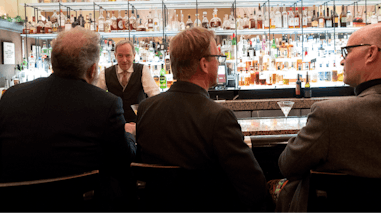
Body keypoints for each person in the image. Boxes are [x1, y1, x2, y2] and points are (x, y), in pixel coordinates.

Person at [0, 27, 136, 209]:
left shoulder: (11, 96)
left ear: (53, 63)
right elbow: (122, 163)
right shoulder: (105, 104)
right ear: (92, 69)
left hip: (16, 203)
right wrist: (129, 134)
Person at [135, 27, 269, 212]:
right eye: (217, 57)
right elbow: (253, 188)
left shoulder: (146, 109)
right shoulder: (218, 117)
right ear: (204, 64)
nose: (219, 63)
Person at [276, 23, 381, 213]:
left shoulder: (330, 115)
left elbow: (287, 166)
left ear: (371, 53)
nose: (342, 61)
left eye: (347, 52)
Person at [96, 40, 159, 123]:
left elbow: (155, 95)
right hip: (114, 124)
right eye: (120, 56)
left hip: (139, 122)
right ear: (115, 56)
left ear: (134, 55)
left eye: (128, 55)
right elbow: (97, 99)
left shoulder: (142, 70)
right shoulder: (105, 73)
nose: (124, 60)